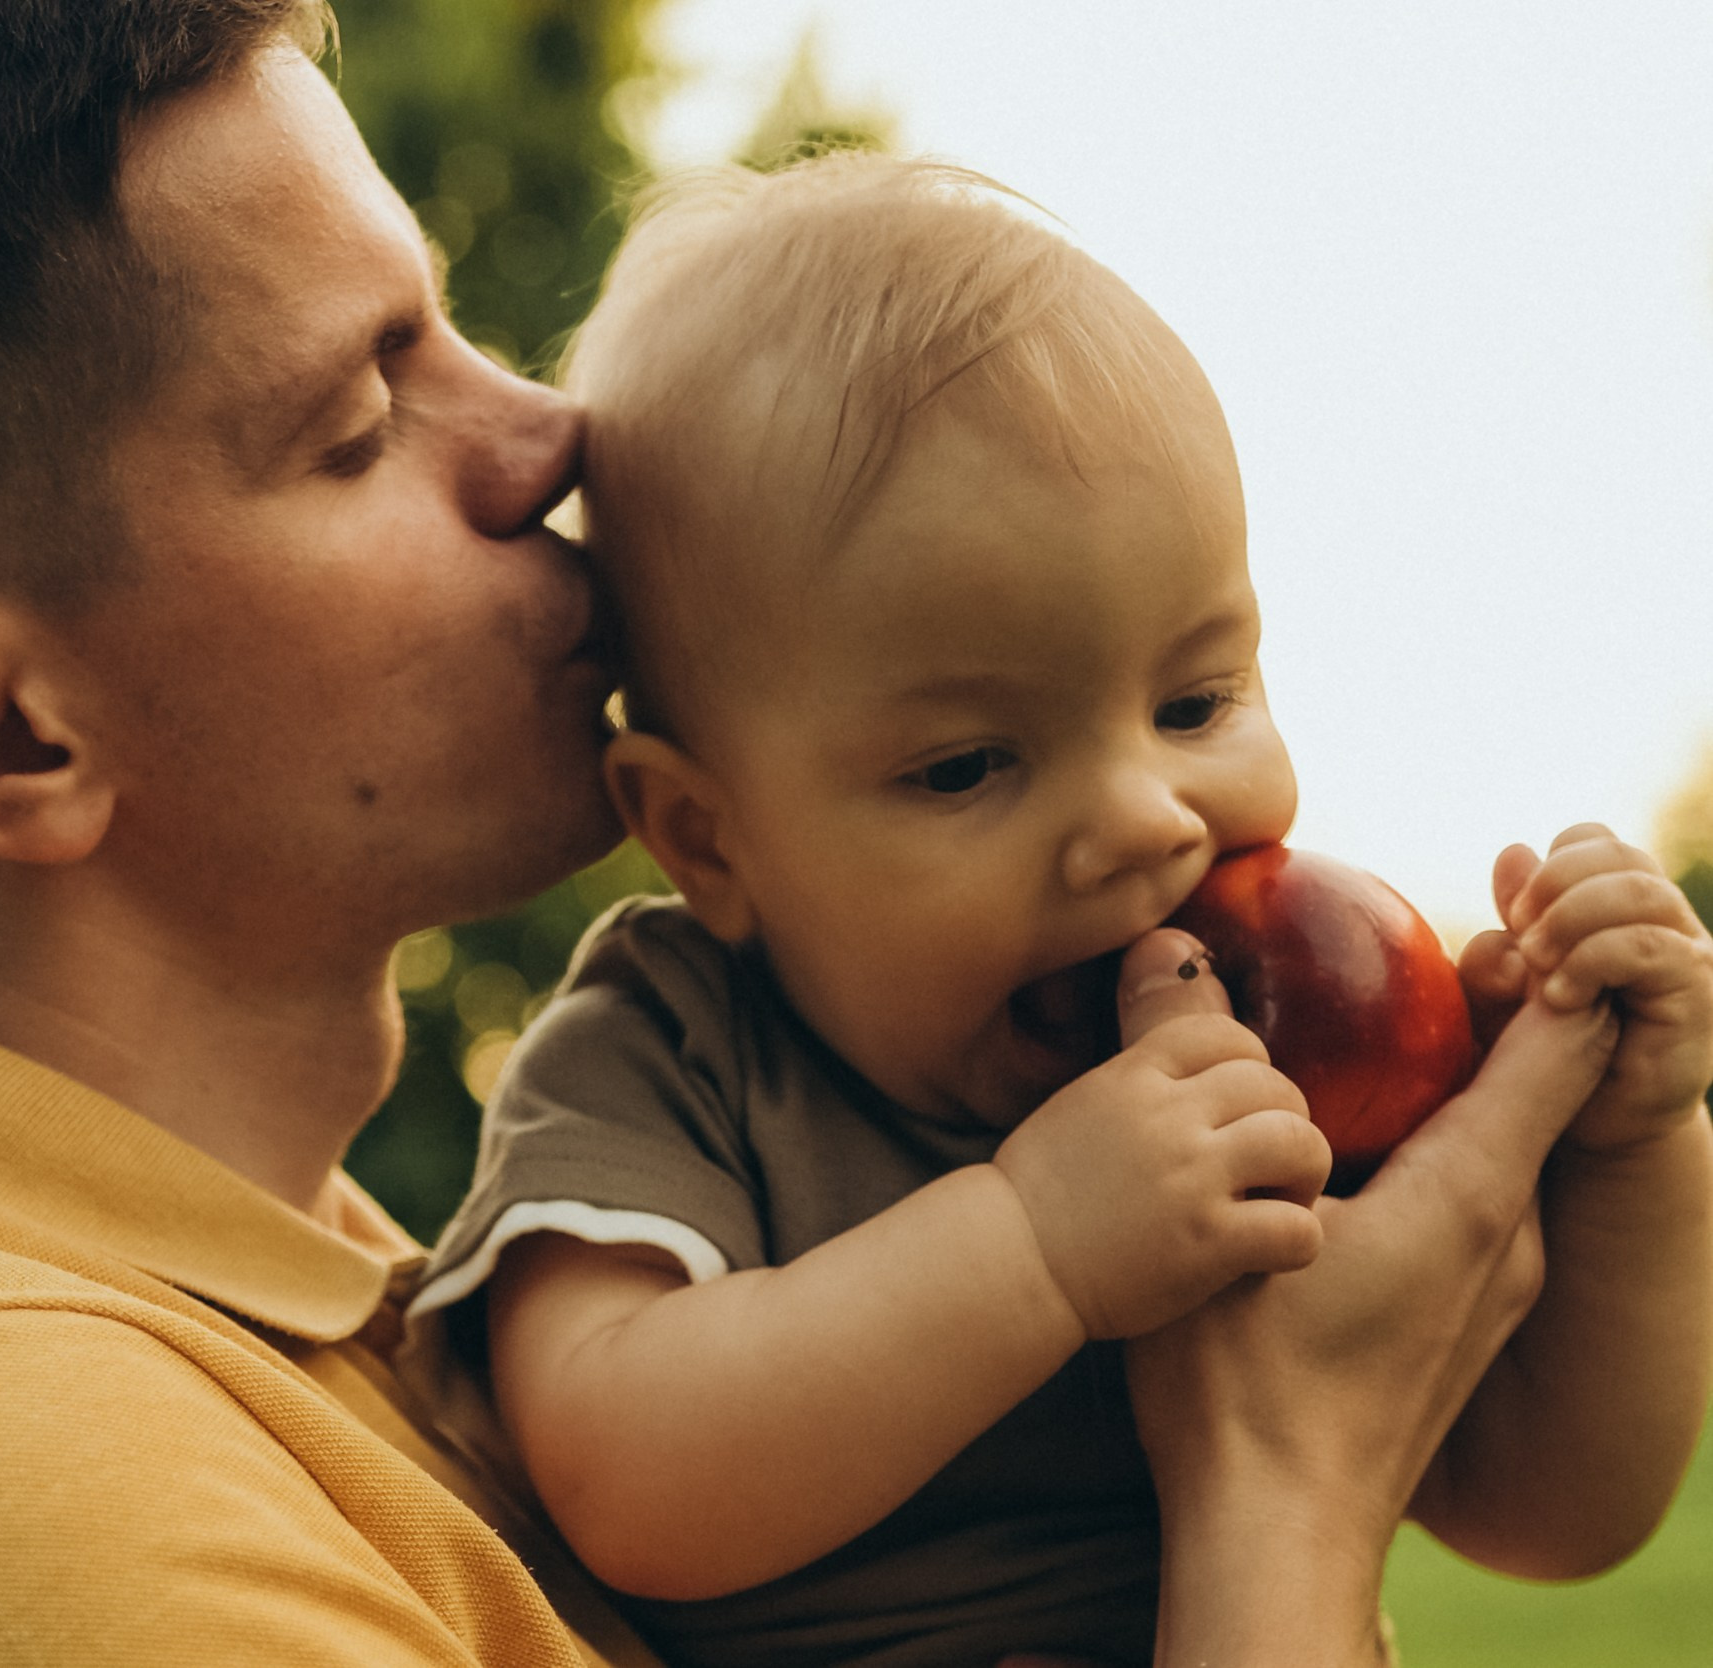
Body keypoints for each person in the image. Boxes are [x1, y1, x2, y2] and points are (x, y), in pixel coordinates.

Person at [0, 3, 1675, 1663]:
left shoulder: (271, 1324)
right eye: (358, 413)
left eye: (465, 334)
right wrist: (1276, 1504)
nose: (551, 434)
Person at [404, 154, 1713, 1667]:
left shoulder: (1282, 1066)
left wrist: (1628, 1149)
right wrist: (1034, 1247)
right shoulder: (674, 1044)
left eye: (1194, 699)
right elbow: (625, 1476)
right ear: (707, 840)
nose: (1143, 820)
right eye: (966, 765)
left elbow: (1551, 1515)